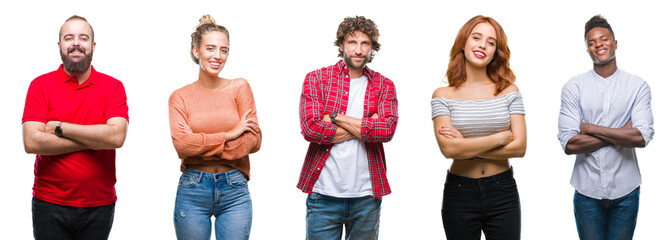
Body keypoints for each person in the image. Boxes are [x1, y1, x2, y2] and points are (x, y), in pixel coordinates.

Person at [22, 15, 129, 240]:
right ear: (60, 46)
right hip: (49, 203)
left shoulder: (113, 87)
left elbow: (116, 137)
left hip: (99, 204)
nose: (76, 43)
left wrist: (60, 127)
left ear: (93, 46)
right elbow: (32, 142)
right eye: (69, 38)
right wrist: (96, 137)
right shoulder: (40, 85)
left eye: (83, 38)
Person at [298, 16, 398, 240]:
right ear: (342, 45)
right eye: (352, 42)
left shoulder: (384, 85)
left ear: (373, 48)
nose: (359, 50)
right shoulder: (316, 79)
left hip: (366, 196)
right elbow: (311, 129)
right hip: (323, 195)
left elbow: (386, 130)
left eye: (365, 43)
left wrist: (335, 117)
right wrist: (366, 124)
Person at [557, 15, 653, 240]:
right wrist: (622, 132)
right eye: (591, 42)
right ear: (588, 50)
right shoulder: (574, 87)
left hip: (626, 193)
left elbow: (642, 137)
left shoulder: (637, 86)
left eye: (604, 39)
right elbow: (569, 144)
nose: (598, 44)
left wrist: (589, 128)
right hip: (586, 193)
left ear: (615, 43)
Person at [431, 15, 526, 240]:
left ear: (496, 52)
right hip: (459, 193)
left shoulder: (509, 91)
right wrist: (500, 137)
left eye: (491, 42)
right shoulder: (442, 96)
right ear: (463, 43)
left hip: (503, 191)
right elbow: (449, 151)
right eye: (476, 37)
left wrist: (465, 145)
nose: (483, 45)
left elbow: (519, 148)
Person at [168, 14, 261, 240]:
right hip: (193, 189)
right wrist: (230, 134)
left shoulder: (239, 87)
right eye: (210, 48)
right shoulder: (179, 97)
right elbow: (182, 146)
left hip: (235, 189)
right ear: (196, 51)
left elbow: (253, 141)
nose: (217, 56)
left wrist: (200, 143)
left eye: (224, 50)